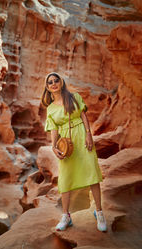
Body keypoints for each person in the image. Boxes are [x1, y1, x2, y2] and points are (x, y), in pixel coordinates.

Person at [41, 72, 107, 232]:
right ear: (48, 88)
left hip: (81, 137)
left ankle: (99, 212)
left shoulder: (74, 97)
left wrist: (89, 134)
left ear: (61, 82)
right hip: (66, 143)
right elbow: (54, 129)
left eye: (56, 80)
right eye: (50, 82)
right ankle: (66, 216)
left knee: (91, 172)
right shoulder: (50, 108)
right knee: (65, 177)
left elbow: (83, 116)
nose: (54, 83)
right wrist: (54, 146)